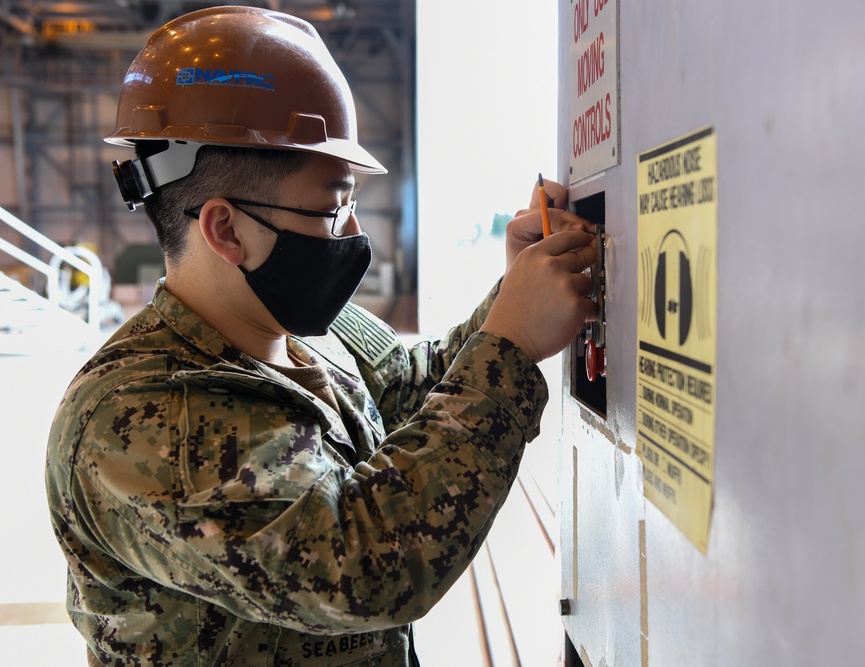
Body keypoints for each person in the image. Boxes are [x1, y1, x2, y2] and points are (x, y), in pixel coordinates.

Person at [45, 6, 596, 666]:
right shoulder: (141, 419)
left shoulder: (307, 331)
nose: (352, 229)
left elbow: (418, 386)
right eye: (333, 206)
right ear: (225, 230)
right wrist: (508, 349)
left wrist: (513, 296)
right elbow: (363, 565)